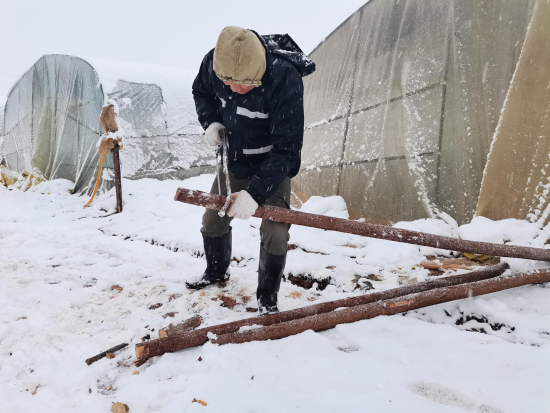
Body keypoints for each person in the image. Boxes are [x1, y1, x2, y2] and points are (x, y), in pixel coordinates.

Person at [187, 26, 315, 315]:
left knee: (276, 231)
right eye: (227, 83)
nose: (232, 89)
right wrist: (211, 121)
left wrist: (255, 193)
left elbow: (287, 150)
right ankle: (216, 272)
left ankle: (267, 296)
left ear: (259, 74)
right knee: (212, 221)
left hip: (271, 167)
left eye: (242, 84)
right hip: (233, 160)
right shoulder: (213, 63)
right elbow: (201, 92)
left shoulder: (285, 78)